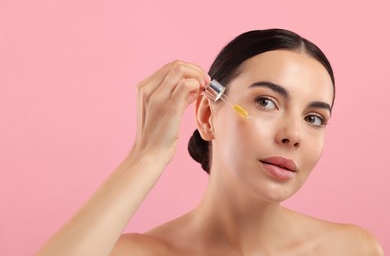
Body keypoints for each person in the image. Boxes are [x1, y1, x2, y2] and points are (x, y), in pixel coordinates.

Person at [38, 29, 383, 255]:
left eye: (314, 119)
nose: (292, 135)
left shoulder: (352, 248)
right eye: (266, 101)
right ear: (206, 115)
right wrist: (147, 155)